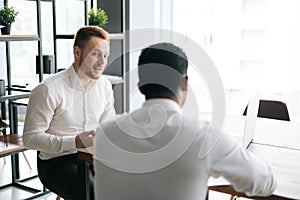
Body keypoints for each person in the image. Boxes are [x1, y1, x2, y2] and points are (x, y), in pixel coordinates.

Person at [93, 42, 277, 200]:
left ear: (141, 87)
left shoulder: (105, 133)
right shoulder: (203, 138)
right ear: (184, 83)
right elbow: (265, 183)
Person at [22, 26, 115, 200]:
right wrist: (74, 142)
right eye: (95, 54)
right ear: (77, 52)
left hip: (93, 158)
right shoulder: (48, 89)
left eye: (105, 55)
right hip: (57, 162)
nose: (102, 62)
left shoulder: (105, 86)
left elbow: (108, 126)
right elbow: (30, 138)